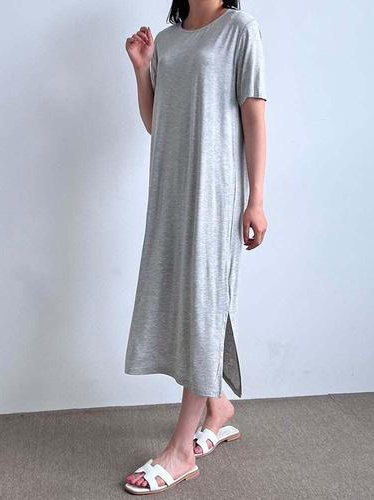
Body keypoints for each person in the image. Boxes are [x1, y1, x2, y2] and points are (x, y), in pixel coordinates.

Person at [123, 0, 268, 494]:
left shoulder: (240, 30)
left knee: (203, 305)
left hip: (215, 193)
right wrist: (142, 69)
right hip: (170, 190)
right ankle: (217, 408)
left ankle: (181, 450)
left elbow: (254, 116)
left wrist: (256, 199)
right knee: (184, 300)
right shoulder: (167, 41)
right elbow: (156, 122)